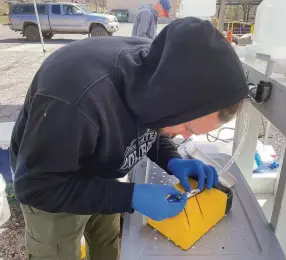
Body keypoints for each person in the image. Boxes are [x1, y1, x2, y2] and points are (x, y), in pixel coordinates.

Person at [10, 17, 248, 260]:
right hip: (55, 187)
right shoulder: (75, 98)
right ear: (172, 102)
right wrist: (129, 196)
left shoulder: (156, 79)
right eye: (187, 127)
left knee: (107, 244)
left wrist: (172, 159)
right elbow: (36, 187)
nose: (183, 137)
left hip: (102, 172)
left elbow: (149, 121)